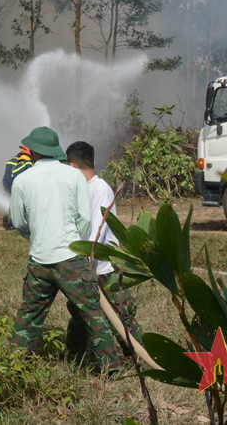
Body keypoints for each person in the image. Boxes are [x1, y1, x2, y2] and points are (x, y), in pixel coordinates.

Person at [8, 126, 121, 373]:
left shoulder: (22, 180)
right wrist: (74, 244)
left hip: (39, 261)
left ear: (34, 152)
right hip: (71, 259)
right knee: (93, 315)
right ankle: (112, 368)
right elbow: (84, 220)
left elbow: (18, 223)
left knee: (28, 318)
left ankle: (12, 366)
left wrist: (36, 236)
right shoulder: (74, 177)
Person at [65, 141, 142, 354]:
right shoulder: (79, 188)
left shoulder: (100, 189)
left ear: (71, 166)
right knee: (81, 314)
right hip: (86, 263)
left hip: (103, 268)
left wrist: (85, 259)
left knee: (120, 313)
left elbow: (97, 228)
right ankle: (74, 355)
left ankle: (137, 354)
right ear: (93, 162)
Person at [1, 145, 33, 229]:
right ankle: (12, 225)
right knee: (16, 204)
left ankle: (6, 218)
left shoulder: (13, 159)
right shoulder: (25, 160)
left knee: (10, 201)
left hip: (6, 183)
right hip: (13, 183)